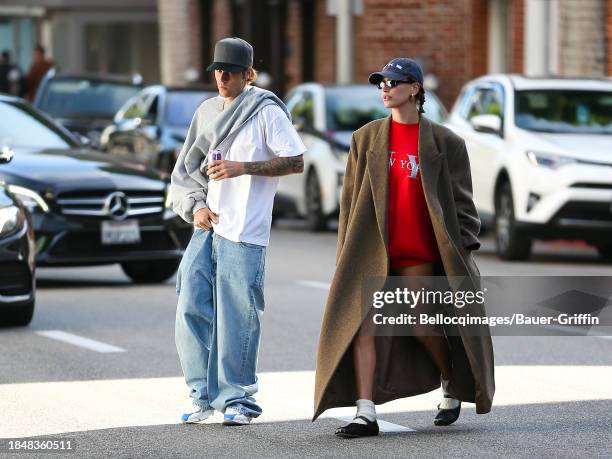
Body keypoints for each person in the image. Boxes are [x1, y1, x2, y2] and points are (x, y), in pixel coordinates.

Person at [312, 58, 495, 438]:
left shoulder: (446, 143)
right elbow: (349, 203)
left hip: (420, 253)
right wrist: (345, 251)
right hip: (371, 251)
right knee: (363, 325)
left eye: (393, 82)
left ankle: (451, 383)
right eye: (381, 82)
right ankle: (366, 412)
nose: (385, 88)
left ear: (414, 88)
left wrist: (464, 250)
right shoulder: (365, 139)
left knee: (421, 323)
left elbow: (463, 206)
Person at [170, 37, 306, 426]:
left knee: (238, 314)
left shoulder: (265, 110)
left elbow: (294, 161)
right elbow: (187, 170)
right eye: (217, 70)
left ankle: (239, 401)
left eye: (230, 71)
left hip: (245, 230)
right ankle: (201, 395)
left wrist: (241, 167)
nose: (222, 76)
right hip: (208, 226)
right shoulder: (207, 110)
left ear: (248, 74)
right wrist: (195, 206)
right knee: (190, 305)